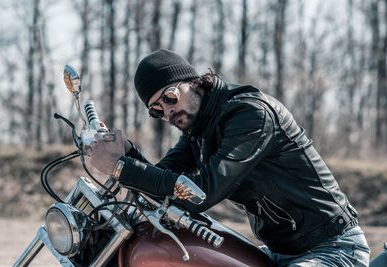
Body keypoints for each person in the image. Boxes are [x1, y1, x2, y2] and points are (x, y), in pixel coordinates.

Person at [90, 49, 370, 266]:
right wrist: (127, 153)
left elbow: (202, 193)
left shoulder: (249, 114)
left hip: (333, 249)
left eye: (170, 97)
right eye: (156, 110)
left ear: (192, 81)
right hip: (280, 253)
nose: (167, 111)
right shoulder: (197, 130)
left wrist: (120, 168)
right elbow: (163, 182)